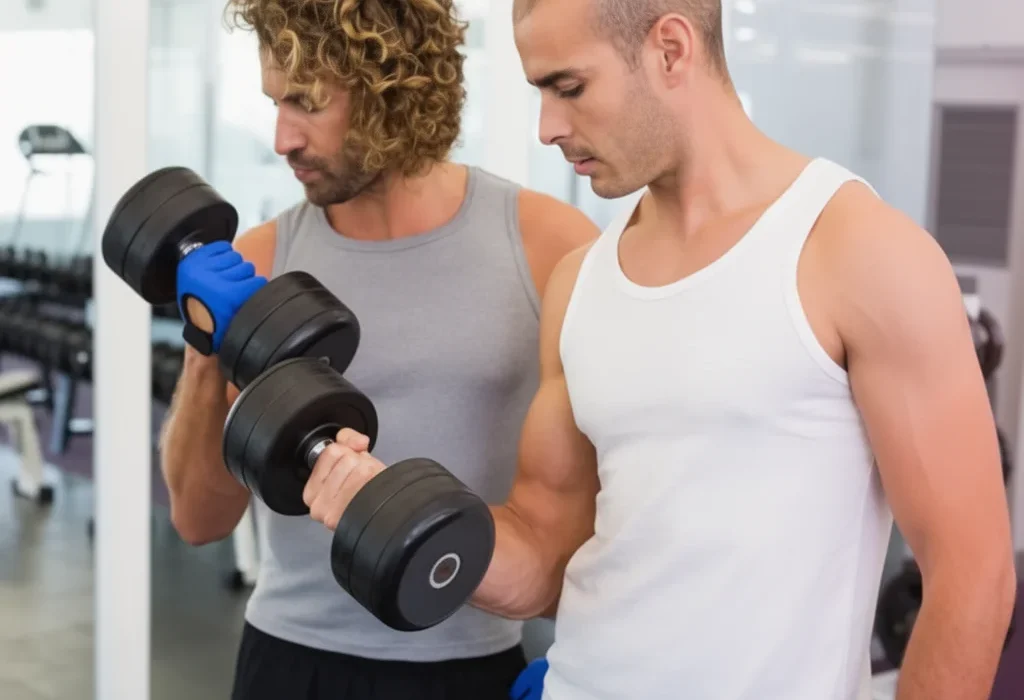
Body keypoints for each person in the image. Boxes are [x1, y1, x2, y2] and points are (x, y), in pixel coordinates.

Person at [306, 0, 1019, 698]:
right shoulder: (580, 283)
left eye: (570, 87)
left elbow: (973, 574)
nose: (549, 127)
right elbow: (545, 556)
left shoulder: (857, 251)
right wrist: (397, 508)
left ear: (671, 49)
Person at [156, 0, 599, 698]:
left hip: (476, 661)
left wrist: (588, 656)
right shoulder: (265, 258)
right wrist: (205, 348)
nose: (281, 138)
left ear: (391, 89)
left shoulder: (549, 247)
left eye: (305, 103)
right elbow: (197, 519)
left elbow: (605, 498)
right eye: (275, 103)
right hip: (293, 659)